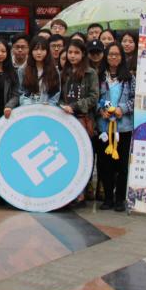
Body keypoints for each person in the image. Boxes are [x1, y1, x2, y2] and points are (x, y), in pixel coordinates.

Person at [60, 40, 100, 205]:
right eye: (70, 52)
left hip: (83, 119)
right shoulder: (64, 72)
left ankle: (81, 191)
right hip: (65, 119)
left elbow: (94, 97)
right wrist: (61, 106)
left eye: (76, 53)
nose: (72, 56)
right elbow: (59, 95)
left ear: (83, 54)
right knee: (67, 156)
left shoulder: (91, 73)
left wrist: (74, 106)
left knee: (84, 156)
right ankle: (68, 191)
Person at [96, 44, 134, 211]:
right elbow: (94, 98)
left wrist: (122, 109)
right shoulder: (99, 77)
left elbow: (135, 99)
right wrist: (100, 110)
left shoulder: (129, 78)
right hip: (104, 127)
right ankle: (108, 198)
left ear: (122, 57)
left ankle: (120, 199)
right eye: (110, 54)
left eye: (117, 54)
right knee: (105, 165)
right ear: (106, 56)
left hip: (123, 127)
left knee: (122, 165)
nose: (113, 57)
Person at [19, 35, 61, 106]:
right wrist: (29, 104)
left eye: (42, 49)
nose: (39, 52)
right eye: (35, 49)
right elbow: (22, 92)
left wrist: (50, 104)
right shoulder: (23, 70)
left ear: (47, 51)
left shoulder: (54, 70)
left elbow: (56, 93)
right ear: (31, 51)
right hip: (28, 108)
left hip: (48, 108)